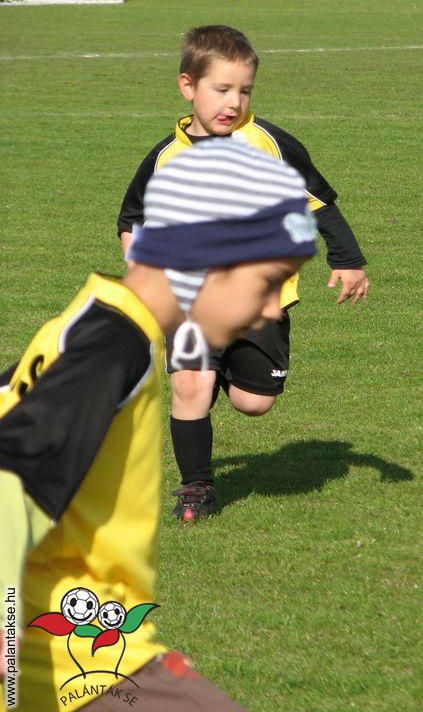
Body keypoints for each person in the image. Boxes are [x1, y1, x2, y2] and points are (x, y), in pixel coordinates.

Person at [0, 139, 316, 711]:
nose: (272, 309)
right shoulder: (115, 346)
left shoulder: (104, 323)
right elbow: (8, 487)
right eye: (267, 281)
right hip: (71, 666)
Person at [117, 25, 370, 523]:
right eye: (221, 89)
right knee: (190, 385)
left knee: (255, 402)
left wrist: (347, 259)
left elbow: (318, 202)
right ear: (188, 86)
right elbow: (131, 219)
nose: (233, 102)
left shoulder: (268, 144)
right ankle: (196, 488)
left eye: (244, 91)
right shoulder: (165, 158)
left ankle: (223, 373)